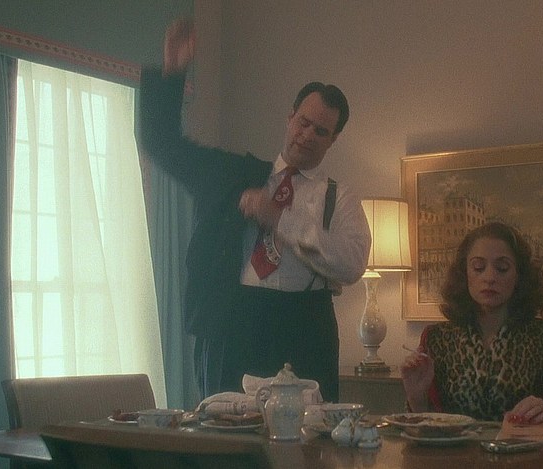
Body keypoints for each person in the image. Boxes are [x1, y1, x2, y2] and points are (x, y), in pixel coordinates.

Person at [137, 19, 371, 402]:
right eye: (304, 122)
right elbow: (162, 144)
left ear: (333, 139)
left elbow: (352, 265)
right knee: (226, 427)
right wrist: (173, 72)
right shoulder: (231, 174)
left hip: (307, 327)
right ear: (290, 117)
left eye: (321, 131)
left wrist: (280, 219)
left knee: (309, 432)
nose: (308, 135)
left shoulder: (339, 197)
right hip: (234, 322)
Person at [400, 222, 543, 423]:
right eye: (478, 268)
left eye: (502, 268)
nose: (489, 277)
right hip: (454, 445)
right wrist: (416, 397)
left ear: (519, 275)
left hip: (524, 444)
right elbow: (428, 425)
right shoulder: (437, 339)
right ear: (465, 273)